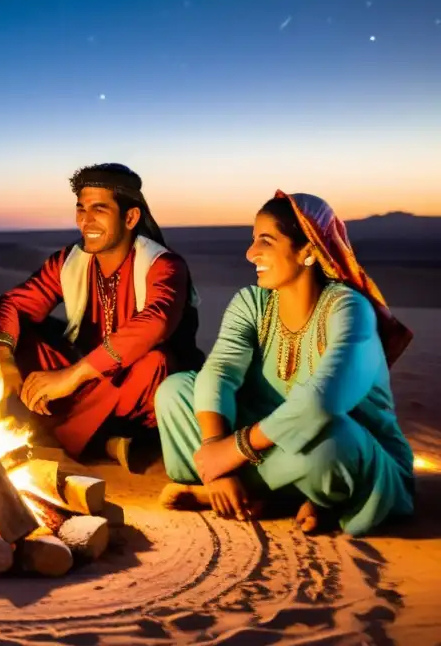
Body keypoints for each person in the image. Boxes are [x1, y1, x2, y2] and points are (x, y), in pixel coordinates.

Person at [155, 191, 415, 536]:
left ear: (308, 252)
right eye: (252, 240)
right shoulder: (252, 302)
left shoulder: (347, 309)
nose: (251, 254)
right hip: (266, 446)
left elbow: (323, 401)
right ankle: (269, 491)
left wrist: (235, 449)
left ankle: (270, 495)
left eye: (266, 241)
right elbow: (219, 371)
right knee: (175, 391)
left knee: (333, 444)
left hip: (342, 446)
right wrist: (218, 453)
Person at [0, 163, 204, 470]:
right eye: (81, 209)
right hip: (85, 381)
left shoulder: (164, 265)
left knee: (156, 364)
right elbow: (11, 305)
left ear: (130, 217)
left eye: (99, 209)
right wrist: (5, 365)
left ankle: (63, 438)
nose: (86, 220)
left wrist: (73, 376)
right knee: (16, 341)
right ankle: (103, 441)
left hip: (132, 389)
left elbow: (156, 322)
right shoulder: (69, 261)